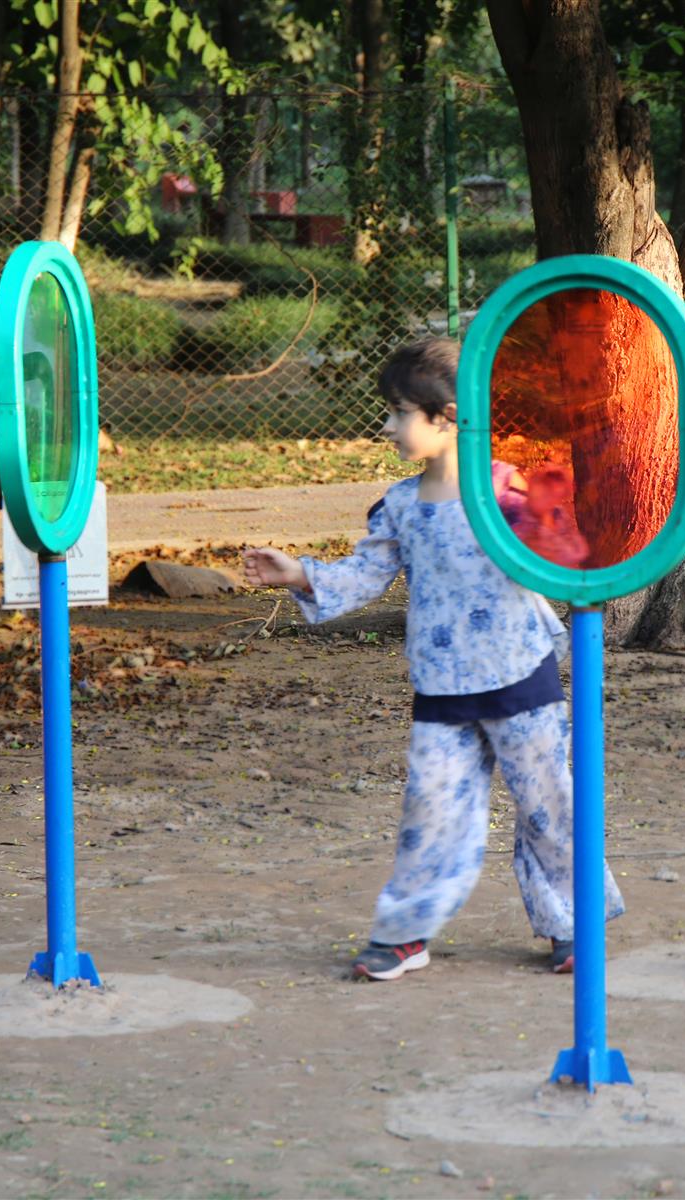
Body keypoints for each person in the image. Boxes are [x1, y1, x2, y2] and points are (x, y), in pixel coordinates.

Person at [242, 338, 623, 981]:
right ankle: (405, 935)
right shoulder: (400, 505)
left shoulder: (507, 490)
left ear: (447, 416)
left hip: (519, 677)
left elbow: (564, 555)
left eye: (399, 413)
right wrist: (300, 574)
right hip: (442, 691)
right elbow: (367, 572)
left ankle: (573, 925)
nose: (388, 427)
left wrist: (551, 515)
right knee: (431, 814)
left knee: (549, 808)